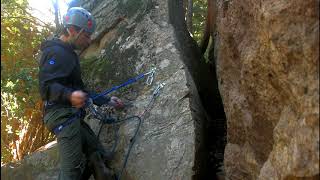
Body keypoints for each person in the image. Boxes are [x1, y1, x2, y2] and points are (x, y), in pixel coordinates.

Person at [38, 7, 123, 180]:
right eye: (86, 35)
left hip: (71, 116)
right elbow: (46, 87)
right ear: (72, 30)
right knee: (72, 173)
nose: (89, 40)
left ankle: (101, 173)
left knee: (97, 154)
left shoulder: (69, 55)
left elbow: (82, 92)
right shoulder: (55, 52)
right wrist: (69, 96)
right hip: (61, 116)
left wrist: (107, 100)